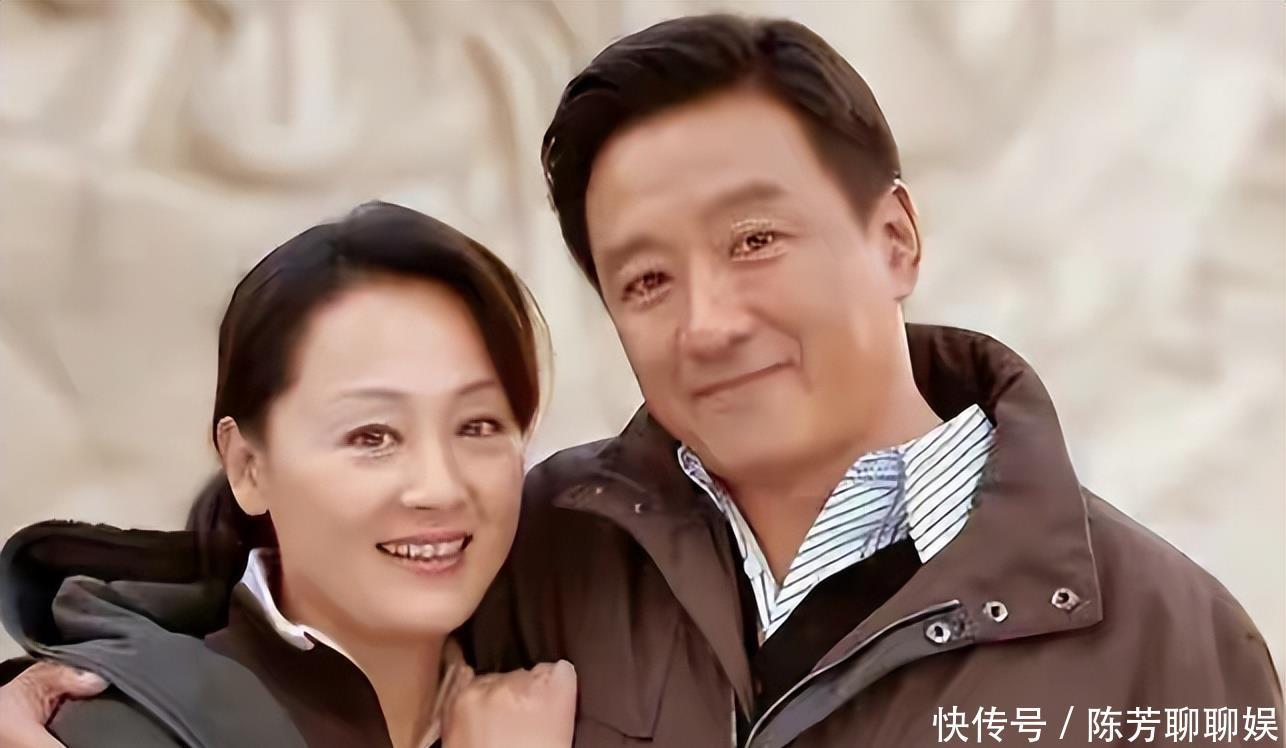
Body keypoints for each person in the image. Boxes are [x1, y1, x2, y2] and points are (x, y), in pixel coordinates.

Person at [3, 13, 1283, 748]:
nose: (709, 320)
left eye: (754, 239)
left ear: (893, 237)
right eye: (646, 278)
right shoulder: (541, 552)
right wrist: (120, 689)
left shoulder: (1164, 643)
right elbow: (307, 620)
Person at [0, 202, 576, 747]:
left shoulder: (570, 693)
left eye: (477, 425)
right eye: (372, 436)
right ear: (248, 466)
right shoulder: (118, 730)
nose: (440, 487)